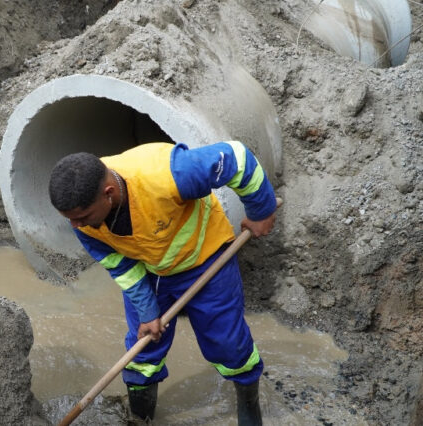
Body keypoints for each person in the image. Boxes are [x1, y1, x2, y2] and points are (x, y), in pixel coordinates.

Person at [47, 141, 277, 425]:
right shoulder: (84, 222)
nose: (76, 227)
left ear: (108, 194)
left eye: (81, 217)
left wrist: (261, 210)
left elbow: (237, 159)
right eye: (70, 219)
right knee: (142, 350)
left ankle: (249, 402)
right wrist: (147, 312)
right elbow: (120, 266)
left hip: (206, 260)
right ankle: (140, 418)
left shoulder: (168, 174)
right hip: (151, 270)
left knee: (228, 345)